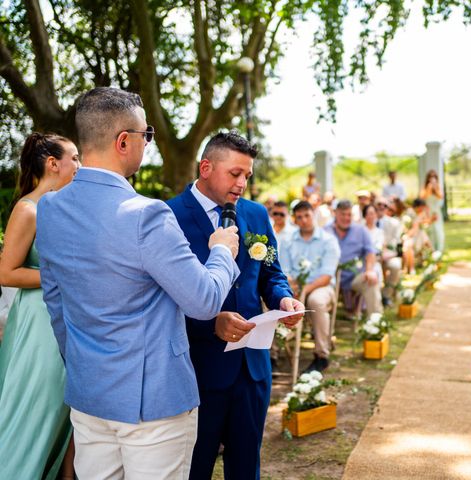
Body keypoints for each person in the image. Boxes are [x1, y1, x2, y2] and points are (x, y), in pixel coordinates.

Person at [36, 87, 241, 479]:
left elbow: (56, 302)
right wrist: (222, 252)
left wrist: (84, 364)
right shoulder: (146, 215)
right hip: (154, 404)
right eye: (147, 134)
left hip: (89, 393)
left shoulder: (50, 208)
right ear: (124, 141)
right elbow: (203, 301)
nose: (149, 143)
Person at [167, 131, 304, 480]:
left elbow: (271, 272)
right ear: (206, 167)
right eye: (235, 174)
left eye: (248, 175)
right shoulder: (168, 216)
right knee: (193, 469)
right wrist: (209, 323)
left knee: (246, 468)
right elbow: (161, 299)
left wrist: (283, 298)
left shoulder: (257, 216)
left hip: (252, 369)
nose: (243, 183)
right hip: (198, 370)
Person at [0, 133, 79, 480]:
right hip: (38, 326)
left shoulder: (62, 208)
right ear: (52, 163)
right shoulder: (27, 209)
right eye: (74, 158)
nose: (80, 165)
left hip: (66, 320)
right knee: (35, 409)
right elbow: (6, 272)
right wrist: (60, 277)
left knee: (65, 415)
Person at [280, 200, 340, 373]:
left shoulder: (328, 240)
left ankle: (321, 355)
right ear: (295, 220)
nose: (304, 220)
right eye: (299, 217)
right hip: (294, 287)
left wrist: (306, 289)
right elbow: (284, 270)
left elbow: (327, 276)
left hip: (321, 286)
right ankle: (273, 353)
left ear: (313, 215)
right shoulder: (288, 241)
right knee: (273, 298)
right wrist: (292, 284)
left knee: (316, 301)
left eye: (307, 215)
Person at [326, 200, 383, 317]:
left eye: (349, 215)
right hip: (329, 278)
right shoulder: (325, 231)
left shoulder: (361, 230)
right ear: (335, 213)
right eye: (343, 214)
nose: (346, 218)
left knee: (370, 280)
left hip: (354, 277)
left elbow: (370, 252)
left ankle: (376, 324)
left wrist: (369, 270)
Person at [419, 169, 445, 252]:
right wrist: (429, 188)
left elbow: (441, 197)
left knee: (438, 230)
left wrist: (435, 188)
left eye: (434, 176)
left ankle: (439, 249)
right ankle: (431, 249)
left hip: (436, 212)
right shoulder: (425, 188)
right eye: (431, 176)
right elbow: (423, 198)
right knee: (429, 231)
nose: (432, 178)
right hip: (428, 212)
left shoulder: (438, 187)